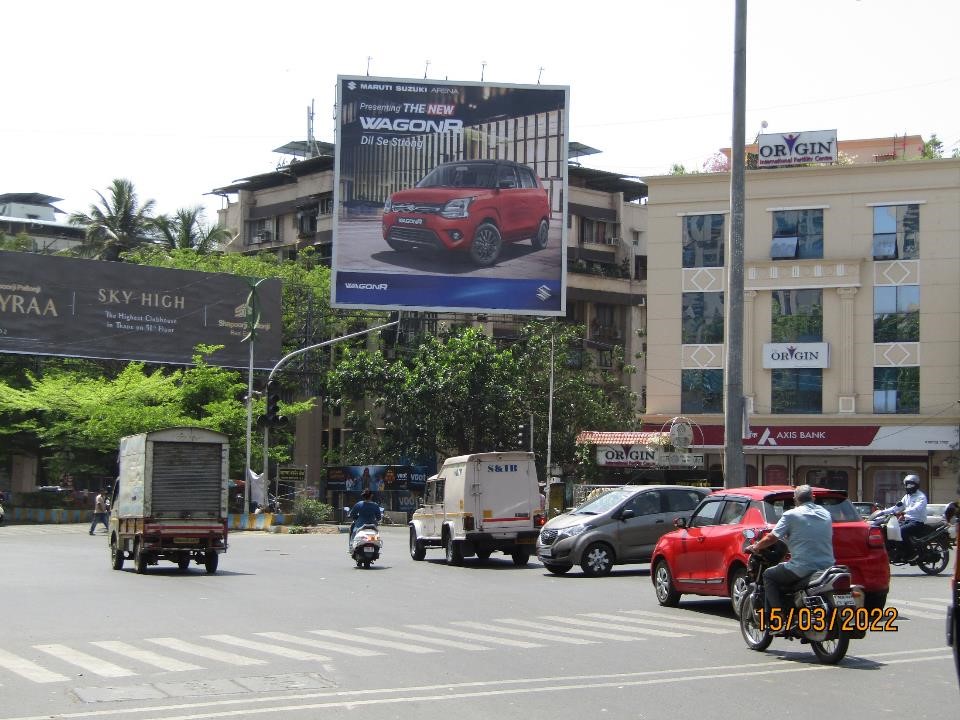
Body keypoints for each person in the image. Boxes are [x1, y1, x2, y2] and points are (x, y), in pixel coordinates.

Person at [746, 484, 834, 632]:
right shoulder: (826, 513)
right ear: (813, 497)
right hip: (827, 567)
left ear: (795, 500)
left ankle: (778, 618)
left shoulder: (791, 515)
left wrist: (755, 547)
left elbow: (772, 537)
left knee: (769, 576)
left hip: (802, 568)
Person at [881, 474, 928, 557]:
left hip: (917, 522)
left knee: (901, 531)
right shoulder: (906, 497)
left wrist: (904, 512)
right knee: (888, 528)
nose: (908, 486)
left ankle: (911, 554)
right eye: (907, 484)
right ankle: (894, 550)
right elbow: (897, 508)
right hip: (907, 521)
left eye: (911, 484)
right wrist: (882, 512)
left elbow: (917, 508)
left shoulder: (921, 497)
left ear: (916, 485)